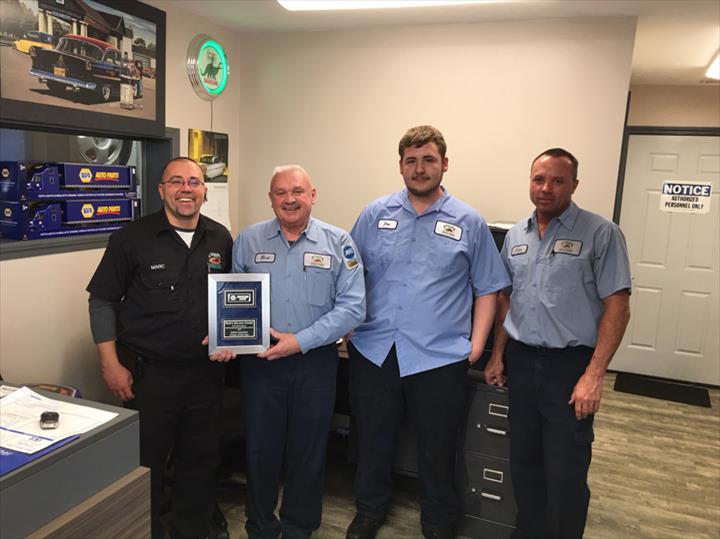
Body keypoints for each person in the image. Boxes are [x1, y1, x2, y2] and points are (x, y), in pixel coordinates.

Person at [345, 125, 510, 539]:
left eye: (429, 160)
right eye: (412, 161)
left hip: (439, 357)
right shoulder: (374, 214)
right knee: (373, 440)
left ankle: (437, 523)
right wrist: (346, 327)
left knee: (438, 448)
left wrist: (475, 346)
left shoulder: (469, 222)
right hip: (376, 350)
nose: (420, 169)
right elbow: (349, 273)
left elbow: (488, 288)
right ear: (400, 165)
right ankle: (369, 511)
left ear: (444, 164)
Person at [484, 148, 631, 539]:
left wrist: (594, 375)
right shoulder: (516, 235)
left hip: (570, 368)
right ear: (530, 182)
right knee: (524, 462)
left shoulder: (601, 233)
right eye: (539, 179)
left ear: (574, 185)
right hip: (521, 361)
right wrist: (498, 355)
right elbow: (506, 299)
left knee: (565, 470)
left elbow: (618, 307)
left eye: (557, 181)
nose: (546, 188)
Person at [87, 157, 234, 539]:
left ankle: (192, 531)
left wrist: (229, 337)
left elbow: (230, 299)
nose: (186, 189)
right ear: (161, 189)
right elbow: (101, 301)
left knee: (200, 462)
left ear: (204, 190)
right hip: (149, 376)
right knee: (144, 464)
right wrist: (109, 365)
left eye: (194, 182)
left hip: (205, 375)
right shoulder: (131, 238)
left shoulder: (220, 237)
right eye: (176, 182)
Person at [232, 164, 366, 539]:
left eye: (297, 191)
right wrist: (225, 335)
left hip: (314, 363)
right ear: (270, 198)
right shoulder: (248, 240)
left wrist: (300, 341)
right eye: (280, 192)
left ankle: (299, 527)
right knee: (260, 450)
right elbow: (233, 299)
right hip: (260, 363)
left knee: (308, 450)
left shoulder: (339, 243)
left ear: (312, 195)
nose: (289, 199)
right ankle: (260, 526)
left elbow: (353, 308)